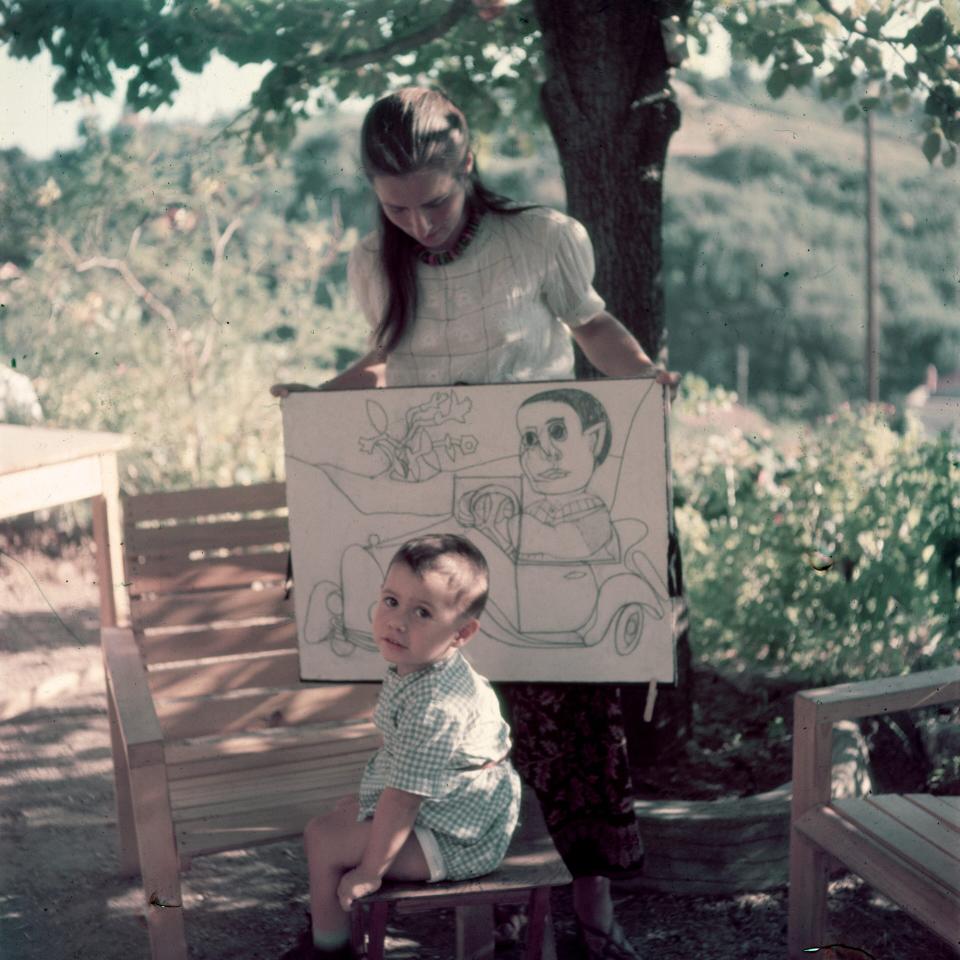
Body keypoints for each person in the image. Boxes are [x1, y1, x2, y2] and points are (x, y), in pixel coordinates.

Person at [273, 86, 680, 960]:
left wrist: (643, 376)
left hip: (542, 516)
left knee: (571, 713)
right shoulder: (378, 266)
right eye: (396, 207)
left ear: (469, 166)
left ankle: (595, 919)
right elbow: (384, 372)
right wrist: (313, 407)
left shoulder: (541, 238)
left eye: (434, 199)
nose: (417, 222)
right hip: (443, 547)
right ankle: (481, 899)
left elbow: (595, 326)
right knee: (459, 722)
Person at [281, 534, 521, 960]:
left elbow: (405, 798)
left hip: (458, 838)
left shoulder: (437, 705)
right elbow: (408, 762)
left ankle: (328, 950)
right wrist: (370, 803)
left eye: (422, 612)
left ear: (462, 632)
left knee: (322, 839)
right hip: (448, 806)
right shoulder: (417, 666)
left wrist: (370, 872)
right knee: (340, 821)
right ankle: (332, 930)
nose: (397, 622)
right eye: (391, 601)